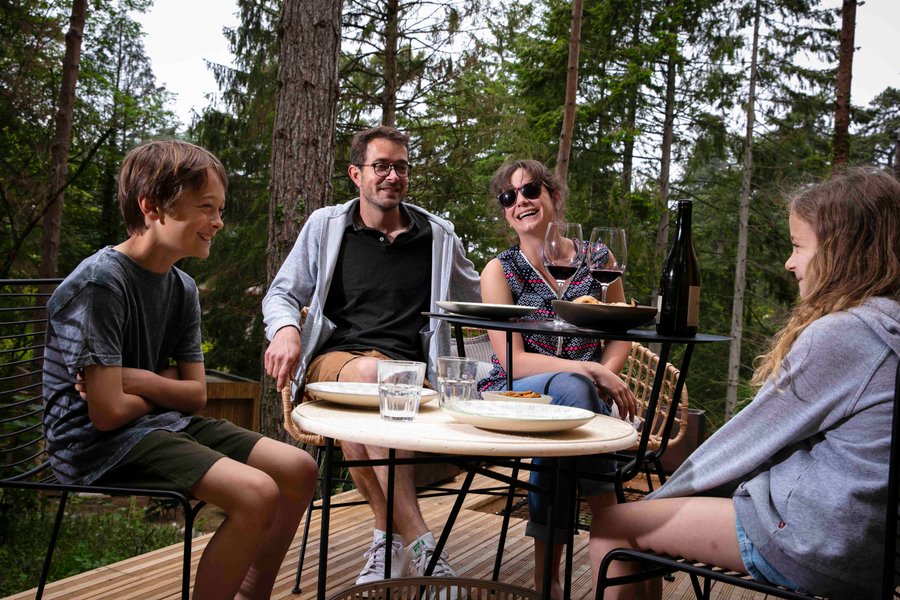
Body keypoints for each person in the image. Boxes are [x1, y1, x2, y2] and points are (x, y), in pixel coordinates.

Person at [589, 167, 900, 599]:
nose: (789, 262)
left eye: (798, 246)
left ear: (841, 250)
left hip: (818, 542)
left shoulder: (845, 335)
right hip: (876, 548)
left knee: (613, 525)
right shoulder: (889, 326)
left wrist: (659, 501)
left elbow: (747, 440)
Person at [41, 140, 319, 599]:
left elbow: (196, 395)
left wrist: (138, 379)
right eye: (206, 207)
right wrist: (162, 386)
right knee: (255, 493)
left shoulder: (181, 286)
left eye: (220, 209)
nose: (219, 221)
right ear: (152, 208)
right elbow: (106, 414)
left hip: (158, 424)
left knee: (298, 468)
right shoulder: (101, 283)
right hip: (92, 446)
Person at [262, 126, 481, 585]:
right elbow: (282, 292)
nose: (392, 176)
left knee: (370, 407)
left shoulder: (437, 236)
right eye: (380, 166)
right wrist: (285, 330)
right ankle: (423, 545)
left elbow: (480, 299)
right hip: (337, 363)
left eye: (401, 167)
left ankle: (387, 539)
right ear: (356, 174)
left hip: (412, 376)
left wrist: (546, 298)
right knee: (373, 375)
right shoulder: (326, 226)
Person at [478, 159, 639, 599]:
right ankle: (612, 526)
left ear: (554, 195)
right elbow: (512, 361)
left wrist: (604, 375)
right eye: (509, 197)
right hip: (516, 391)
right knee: (572, 390)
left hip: (583, 395)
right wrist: (590, 370)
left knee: (571, 401)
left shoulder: (598, 259)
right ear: (505, 212)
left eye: (530, 190)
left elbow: (619, 330)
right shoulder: (499, 270)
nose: (521, 202)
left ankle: (547, 580)